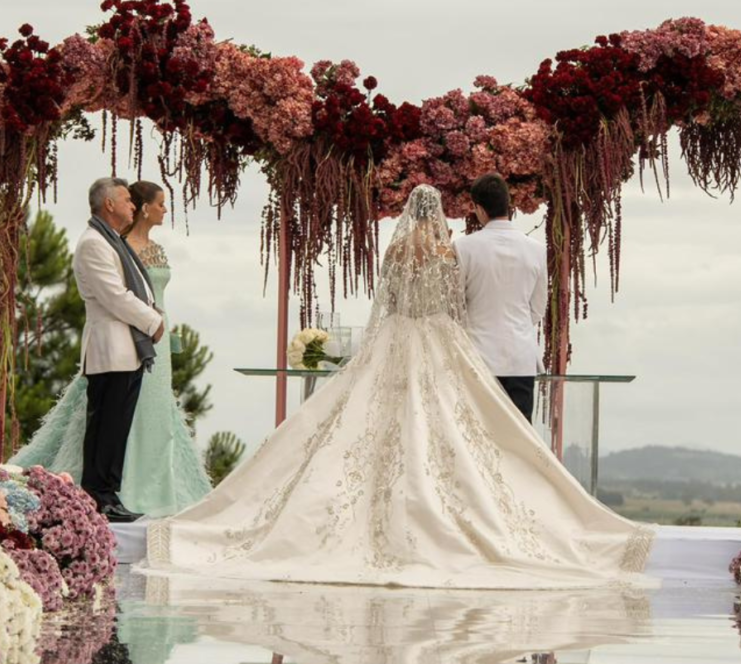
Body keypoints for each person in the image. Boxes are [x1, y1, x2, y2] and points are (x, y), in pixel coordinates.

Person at [143, 184, 653, 589]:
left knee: (373, 425)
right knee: (469, 436)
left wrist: (377, 342)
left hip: (394, 338)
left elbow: (385, 304)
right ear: (441, 214)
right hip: (452, 343)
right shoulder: (451, 250)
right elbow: (458, 305)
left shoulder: (403, 250)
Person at [10, 180, 210, 519]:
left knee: (115, 429)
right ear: (108, 205)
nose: (132, 205)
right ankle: (100, 497)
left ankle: (108, 495)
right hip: (112, 350)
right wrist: (153, 321)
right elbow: (114, 296)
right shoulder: (94, 243)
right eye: (126, 200)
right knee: (106, 429)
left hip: (127, 350)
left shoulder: (110, 240)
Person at [453, 173, 547, 422]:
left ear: (478, 209)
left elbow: (456, 304)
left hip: (479, 356)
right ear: (509, 204)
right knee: (521, 436)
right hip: (521, 358)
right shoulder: (537, 250)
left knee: (481, 434)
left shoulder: (463, 247)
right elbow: (538, 308)